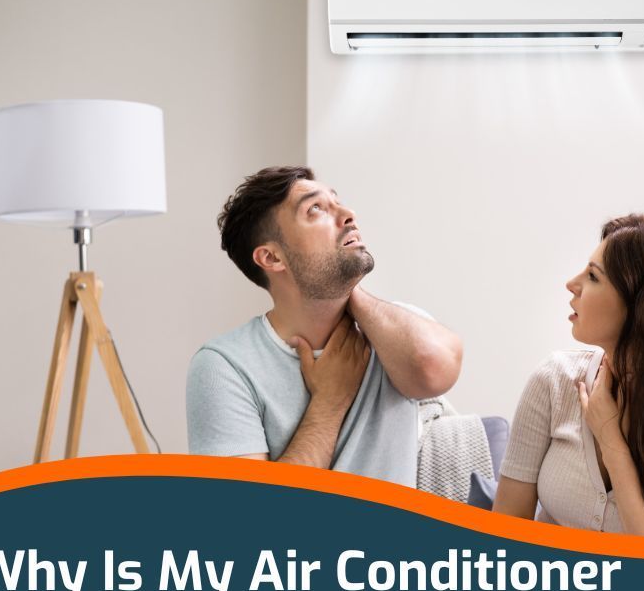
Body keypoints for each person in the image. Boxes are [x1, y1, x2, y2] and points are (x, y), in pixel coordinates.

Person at [186, 166, 463, 487]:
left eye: (338, 201)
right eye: (315, 209)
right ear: (272, 258)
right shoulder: (223, 366)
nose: (348, 214)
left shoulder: (393, 329)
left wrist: (350, 292)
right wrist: (329, 403)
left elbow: (437, 370)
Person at [492, 214, 644, 538]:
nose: (572, 283)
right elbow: (505, 530)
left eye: (594, 276)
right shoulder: (554, 381)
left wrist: (612, 442)